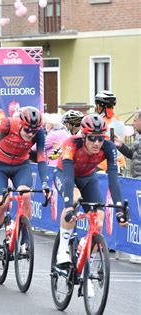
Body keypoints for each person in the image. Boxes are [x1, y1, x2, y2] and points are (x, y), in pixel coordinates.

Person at [54, 114, 128, 267]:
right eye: (92, 138)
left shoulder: (108, 147)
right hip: (66, 175)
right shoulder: (71, 144)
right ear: (84, 136)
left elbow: (113, 180)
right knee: (75, 197)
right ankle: (63, 250)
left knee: (98, 222)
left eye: (100, 138)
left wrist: (120, 209)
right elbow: (68, 178)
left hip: (88, 178)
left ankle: (88, 267)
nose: (97, 143)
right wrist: (68, 207)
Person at [0, 106, 51, 263]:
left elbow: (42, 159)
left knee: (26, 195)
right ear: (21, 124)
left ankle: (24, 239)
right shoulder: (8, 125)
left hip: (21, 166)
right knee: (3, 202)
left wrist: (45, 183)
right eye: (27, 130)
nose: (30, 134)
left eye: (34, 132)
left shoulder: (39, 134)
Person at [114, 109, 141, 264]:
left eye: (136, 120)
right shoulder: (137, 136)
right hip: (136, 180)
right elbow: (133, 156)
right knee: (136, 215)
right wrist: (121, 146)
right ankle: (136, 251)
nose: (133, 122)